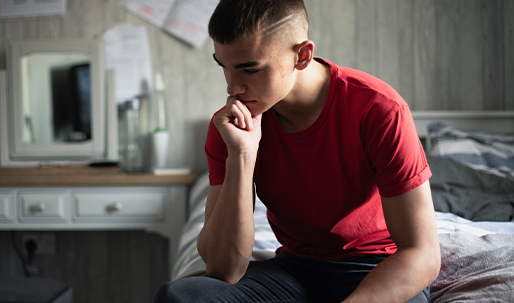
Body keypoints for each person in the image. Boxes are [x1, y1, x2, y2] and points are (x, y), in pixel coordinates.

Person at [154, 0, 440, 302]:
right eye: (223, 66)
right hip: (295, 270)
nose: (232, 88)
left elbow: (422, 254)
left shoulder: (379, 110)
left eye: (249, 69)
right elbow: (225, 270)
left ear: (302, 56)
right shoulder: (230, 129)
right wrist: (242, 156)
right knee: (179, 296)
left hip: (377, 268)